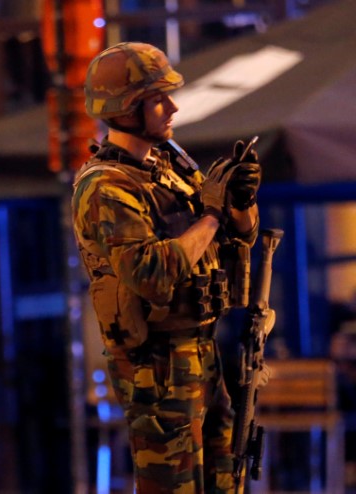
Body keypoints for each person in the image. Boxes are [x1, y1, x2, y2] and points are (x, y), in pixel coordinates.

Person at [72, 42, 261, 493]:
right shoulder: (105, 186)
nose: (172, 106)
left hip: (202, 348)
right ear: (125, 110)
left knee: (223, 478)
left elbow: (242, 237)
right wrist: (212, 216)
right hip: (157, 364)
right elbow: (152, 273)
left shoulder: (170, 164)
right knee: (172, 483)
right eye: (157, 99)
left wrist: (240, 205)